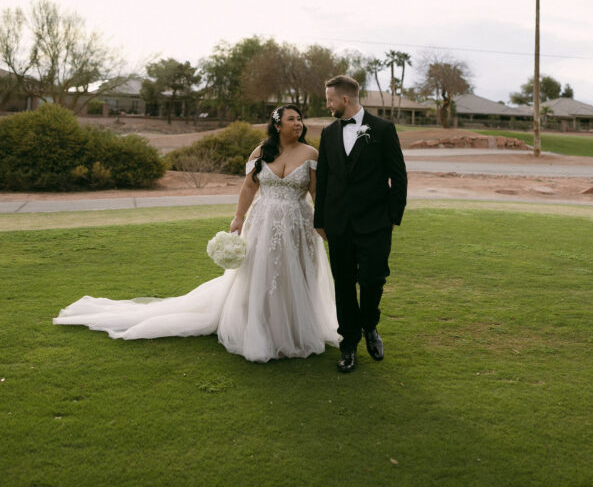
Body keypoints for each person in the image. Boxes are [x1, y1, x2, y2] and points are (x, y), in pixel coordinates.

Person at [53, 105, 339, 363]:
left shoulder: (310, 154)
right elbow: (249, 188)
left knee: (296, 275)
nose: (298, 123)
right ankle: (263, 330)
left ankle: (295, 330)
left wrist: (322, 226)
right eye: (292, 119)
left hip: (298, 224)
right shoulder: (261, 152)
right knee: (261, 275)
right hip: (262, 223)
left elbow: (316, 193)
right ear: (277, 125)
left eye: (300, 119)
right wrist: (238, 218)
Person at [314, 75, 407, 373]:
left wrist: (392, 218)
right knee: (343, 284)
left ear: (345, 99)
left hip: (375, 224)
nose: (327, 105)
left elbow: (399, 176)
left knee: (373, 280)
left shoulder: (383, 129)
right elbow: (324, 182)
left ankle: (370, 326)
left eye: (329, 99)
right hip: (338, 224)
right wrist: (320, 221)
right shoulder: (328, 134)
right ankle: (349, 343)